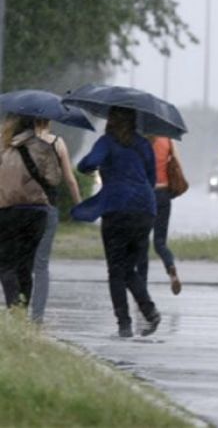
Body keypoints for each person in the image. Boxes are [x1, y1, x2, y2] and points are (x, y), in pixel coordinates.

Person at [72, 107, 162, 338]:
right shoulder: (143, 144)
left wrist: (93, 166)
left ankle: (124, 323)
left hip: (117, 208)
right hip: (144, 209)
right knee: (129, 267)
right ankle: (149, 311)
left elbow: (88, 164)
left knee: (116, 269)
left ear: (111, 120)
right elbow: (151, 178)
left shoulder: (107, 142)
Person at [0, 115, 61, 310]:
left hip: (7, 211)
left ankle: (13, 307)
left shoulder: (3, 147)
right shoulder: (43, 147)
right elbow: (54, 179)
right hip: (36, 213)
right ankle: (22, 311)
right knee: (26, 265)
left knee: (7, 263)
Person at [29, 119, 82, 323]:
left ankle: (17, 308)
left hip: (20, 207)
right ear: (49, 120)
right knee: (41, 264)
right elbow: (69, 178)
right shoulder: (57, 143)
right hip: (47, 207)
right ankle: (37, 317)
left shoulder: (17, 141)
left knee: (20, 261)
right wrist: (79, 206)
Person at [136, 136, 182, 295]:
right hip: (164, 194)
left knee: (142, 243)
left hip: (145, 195)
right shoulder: (168, 140)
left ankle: (142, 287)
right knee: (160, 242)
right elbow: (177, 163)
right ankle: (170, 267)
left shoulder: (140, 141)